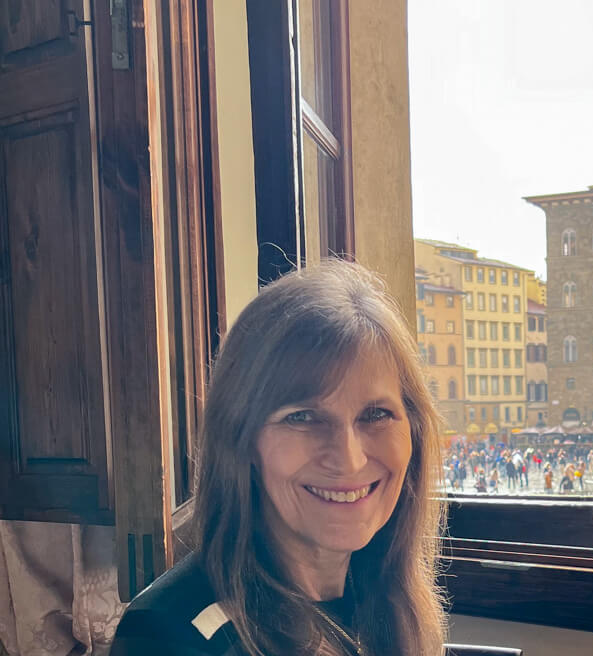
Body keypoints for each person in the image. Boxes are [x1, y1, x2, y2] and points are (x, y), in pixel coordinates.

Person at [110, 260, 447, 655]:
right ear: (241, 440)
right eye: (302, 417)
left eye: (376, 415)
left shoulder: (392, 606)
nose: (350, 459)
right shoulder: (171, 636)